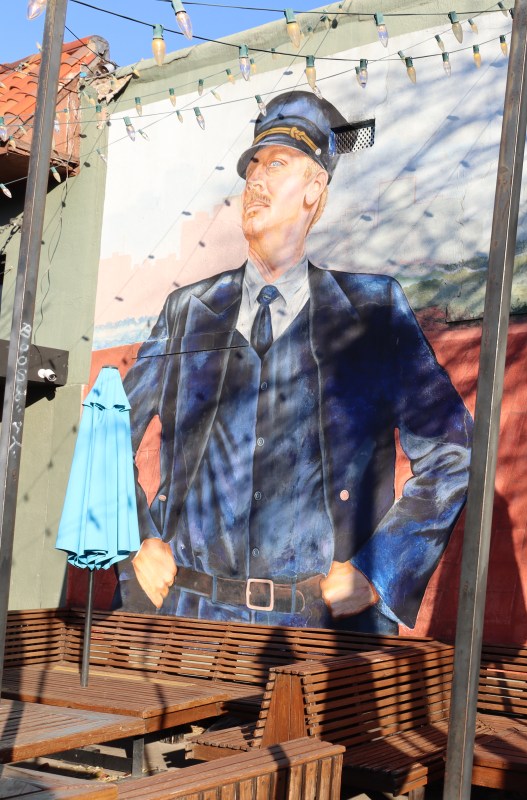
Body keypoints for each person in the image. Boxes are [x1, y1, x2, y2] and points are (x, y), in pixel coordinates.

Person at [117, 91, 473, 633]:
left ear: (314, 190)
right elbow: (110, 432)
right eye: (252, 168)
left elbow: (453, 450)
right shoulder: (187, 311)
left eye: (277, 165)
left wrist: (380, 567)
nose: (255, 181)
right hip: (189, 621)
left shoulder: (373, 311)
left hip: (322, 631)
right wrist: (137, 538)